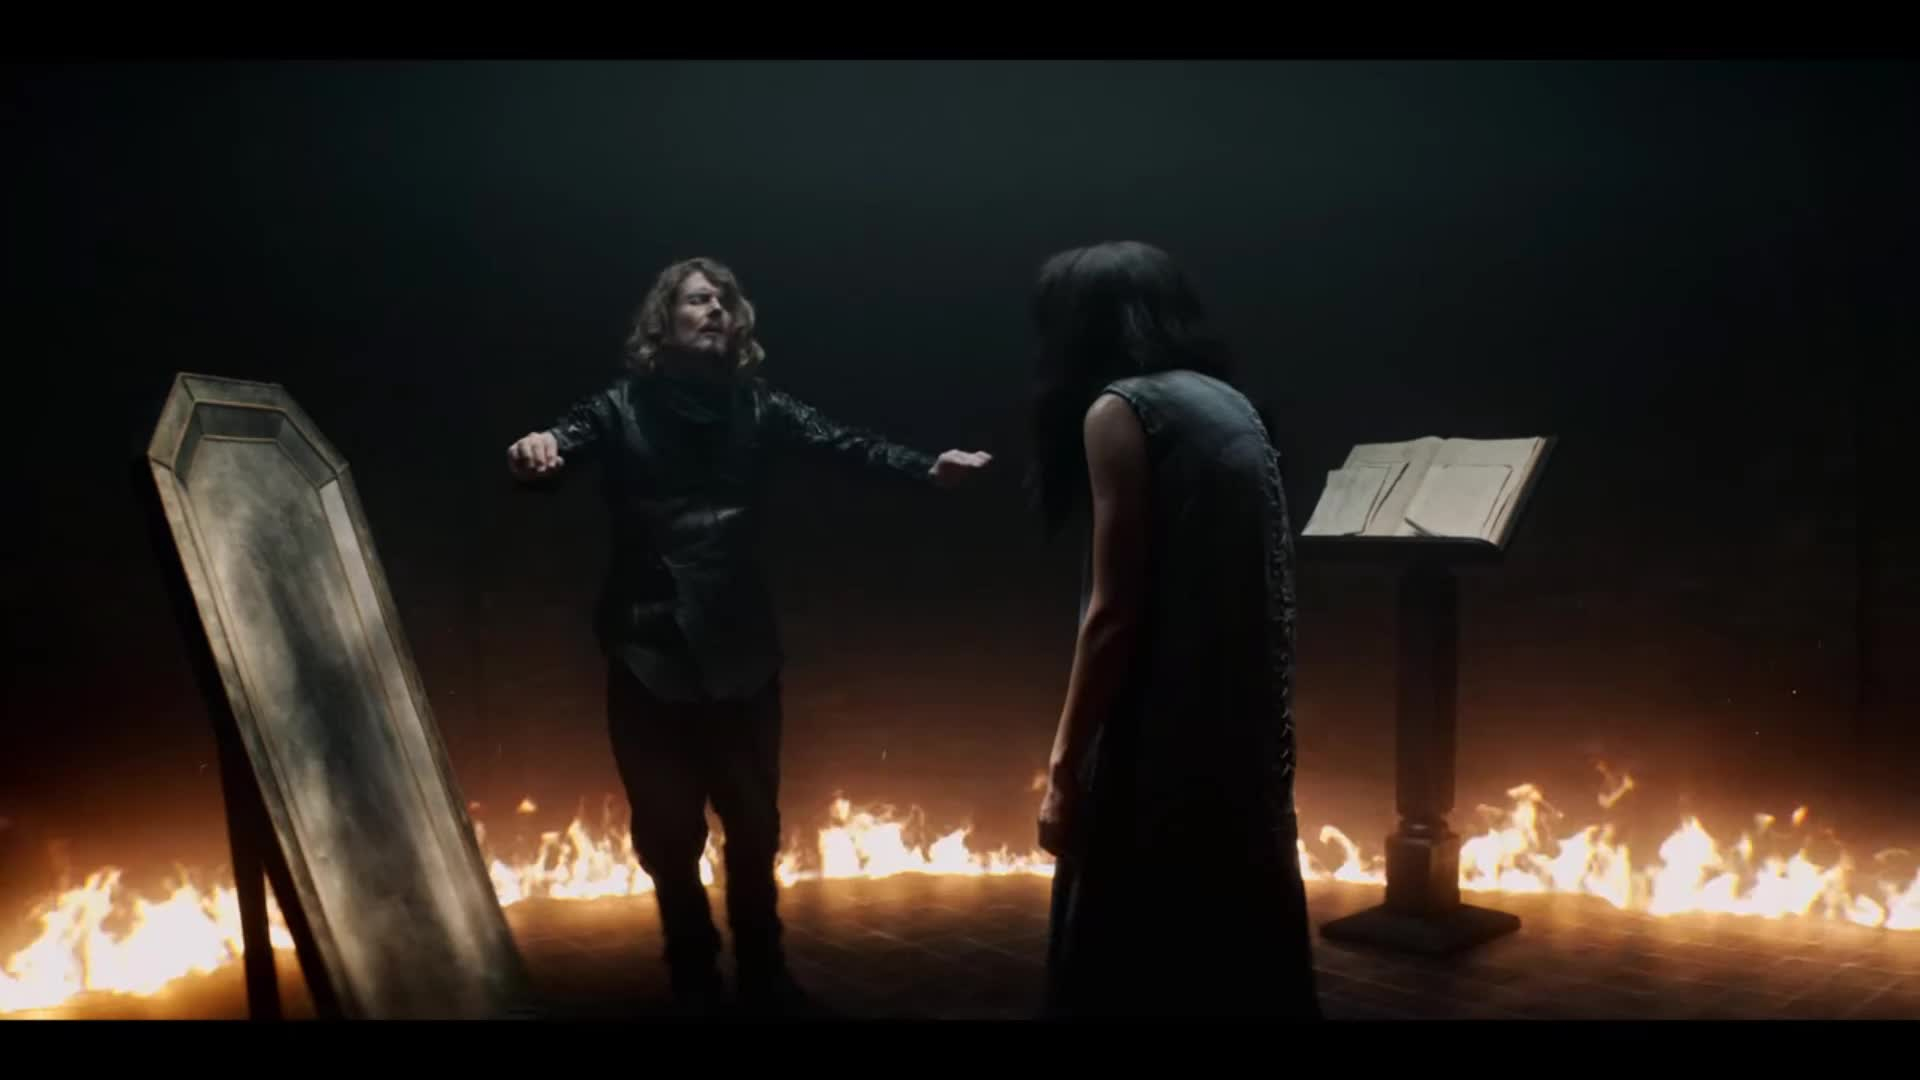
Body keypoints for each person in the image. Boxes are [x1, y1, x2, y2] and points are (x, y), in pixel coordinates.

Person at [506, 257, 992, 1016]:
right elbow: (553, 448)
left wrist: (928, 468)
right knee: (668, 833)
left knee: (755, 824)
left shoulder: (759, 406)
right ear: (662, 321)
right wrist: (534, 452)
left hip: (739, 644)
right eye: (698, 299)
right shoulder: (618, 406)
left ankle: (764, 975)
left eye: (725, 302)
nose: (716, 310)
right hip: (647, 644)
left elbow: (845, 443)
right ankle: (694, 976)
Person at [1027, 241, 1320, 1018]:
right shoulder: (1231, 404)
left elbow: (1113, 612)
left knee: (1124, 958)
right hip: (1240, 739)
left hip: (1158, 744)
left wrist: (1062, 767)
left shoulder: (1120, 410)